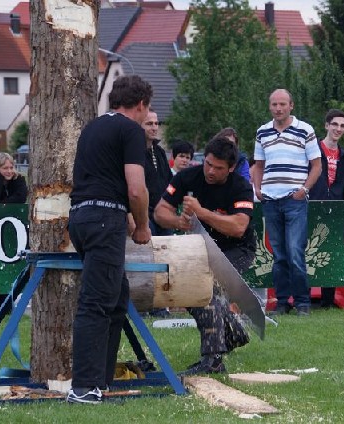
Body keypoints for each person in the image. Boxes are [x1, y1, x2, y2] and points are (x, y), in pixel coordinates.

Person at [67, 75, 152, 404]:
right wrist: (141, 225)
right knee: (96, 303)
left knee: (116, 297)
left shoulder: (93, 128)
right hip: (104, 222)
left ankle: (101, 380)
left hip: (81, 218)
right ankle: (83, 387)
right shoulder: (131, 130)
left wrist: (124, 215)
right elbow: (136, 188)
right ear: (141, 104)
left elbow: (101, 180)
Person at [153, 137, 254, 375]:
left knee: (209, 287)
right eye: (208, 164)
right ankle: (234, 332)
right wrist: (178, 221)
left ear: (230, 168)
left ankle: (213, 359)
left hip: (236, 249)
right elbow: (159, 212)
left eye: (218, 168)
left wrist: (202, 213)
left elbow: (239, 227)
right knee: (186, 289)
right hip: (198, 247)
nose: (210, 171)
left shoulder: (241, 186)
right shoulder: (187, 177)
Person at [252, 88, 322, 316]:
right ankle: (282, 302)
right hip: (271, 200)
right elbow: (258, 166)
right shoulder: (262, 132)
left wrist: (304, 190)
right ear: (269, 106)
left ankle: (302, 303)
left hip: (295, 200)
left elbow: (317, 166)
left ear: (291, 105)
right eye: (274, 104)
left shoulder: (305, 130)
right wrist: (258, 189)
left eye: (282, 104)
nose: (278, 108)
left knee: (295, 252)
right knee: (279, 254)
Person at [310, 109, 344, 308]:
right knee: (308, 252)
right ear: (327, 125)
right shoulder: (313, 151)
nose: (338, 129)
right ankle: (303, 300)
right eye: (335, 124)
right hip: (312, 206)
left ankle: (327, 301)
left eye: (342, 126)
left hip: (335, 209)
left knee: (331, 254)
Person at [0, 152, 29, 314]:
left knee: (16, 268)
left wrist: (3, 204)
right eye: (5, 168)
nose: (9, 171)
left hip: (16, 231)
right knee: (0, 268)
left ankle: (1, 304)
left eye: (11, 167)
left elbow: (20, 198)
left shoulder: (19, 180)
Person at [141, 110, 173, 237]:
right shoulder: (134, 152)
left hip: (162, 213)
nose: (154, 127)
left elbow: (170, 182)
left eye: (156, 123)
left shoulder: (160, 152)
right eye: (149, 124)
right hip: (143, 215)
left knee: (168, 247)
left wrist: (170, 201)